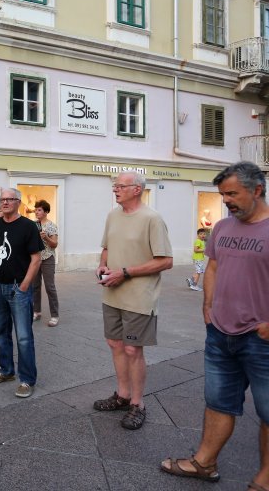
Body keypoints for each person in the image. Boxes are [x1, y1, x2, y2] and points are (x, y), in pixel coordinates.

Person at [160, 162, 269, 488]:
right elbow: (214, 266)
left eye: (232, 194)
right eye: (223, 194)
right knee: (219, 401)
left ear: (257, 190)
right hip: (220, 333)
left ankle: (265, 479)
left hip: (261, 339)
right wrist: (208, 304)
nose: (226, 201)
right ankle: (204, 463)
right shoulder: (222, 228)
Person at [94, 171, 172, 430]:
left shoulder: (152, 218)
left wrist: (125, 273)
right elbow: (106, 248)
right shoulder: (112, 215)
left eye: (120, 186)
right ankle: (122, 395)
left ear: (137, 189)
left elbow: (165, 261)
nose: (115, 190)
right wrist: (103, 266)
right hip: (112, 292)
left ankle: (138, 403)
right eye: (114, 186)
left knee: (132, 349)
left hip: (139, 296)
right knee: (115, 344)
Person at [0, 188, 43, 398]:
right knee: (0, 332)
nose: (5, 202)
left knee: (24, 337)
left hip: (19, 289)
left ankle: (26, 380)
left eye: (9, 199)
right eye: (2, 199)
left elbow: (36, 258)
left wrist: (25, 285)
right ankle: (6, 370)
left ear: (18, 202)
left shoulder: (28, 226)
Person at [32, 200, 60, 327]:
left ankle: (54, 315)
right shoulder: (32, 225)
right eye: (36, 209)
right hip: (35, 258)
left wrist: (46, 237)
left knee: (50, 287)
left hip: (48, 258)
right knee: (35, 286)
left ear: (46, 211)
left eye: (39, 210)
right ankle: (36, 311)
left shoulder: (51, 225)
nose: (36, 212)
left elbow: (54, 244)